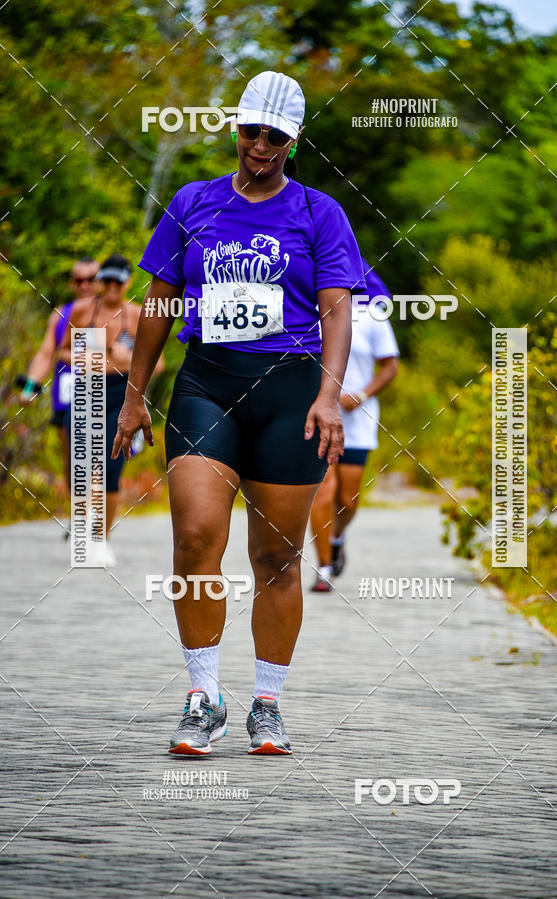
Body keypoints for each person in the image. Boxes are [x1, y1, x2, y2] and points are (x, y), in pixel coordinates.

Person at [112, 70, 365, 756]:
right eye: (251, 130)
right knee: (195, 535)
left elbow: (338, 309)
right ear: (235, 127)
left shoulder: (319, 213)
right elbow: (159, 304)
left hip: (291, 391)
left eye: (275, 136)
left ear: (294, 140)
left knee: (277, 555)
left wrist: (327, 392)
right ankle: (202, 697)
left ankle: (267, 702)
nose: (260, 145)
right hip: (209, 383)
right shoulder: (193, 202)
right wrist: (135, 395)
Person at [58, 254, 161, 565]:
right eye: (107, 280)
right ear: (100, 281)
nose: (112, 286)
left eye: (119, 280)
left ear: (128, 281)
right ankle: (83, 526)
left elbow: (157, 363)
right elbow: (62, 350)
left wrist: (124, 358)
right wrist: (84, 358)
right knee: (82, 464)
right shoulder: (81, 311)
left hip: (123, 394)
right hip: (86, 391)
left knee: (111, 467)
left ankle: (102, 538)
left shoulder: (138, 314)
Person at [310, 258, 399, 591]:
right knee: (323, 492)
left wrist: (361, 394)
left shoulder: (373, 316)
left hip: (357, 420)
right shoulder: (309, 311)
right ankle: (323, 569)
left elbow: (390, 367)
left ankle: (336, 536)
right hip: (317, 414)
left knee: (347, 500)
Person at [18, 257, 99, 499]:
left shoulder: (115, 313)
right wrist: (30, 386)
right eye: (79, 280)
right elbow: (46, 353)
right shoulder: (61, 315)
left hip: (103, 393)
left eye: (91, 279)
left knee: (96, 455)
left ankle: (94, 517)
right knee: (73, 456)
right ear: (72, 283)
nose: (85, 285)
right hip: (68, 395)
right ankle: (79, 513)